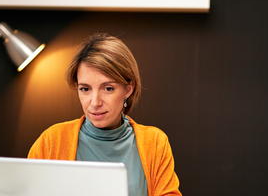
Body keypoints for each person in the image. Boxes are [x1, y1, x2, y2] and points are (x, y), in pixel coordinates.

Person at [27, 33, 182, 196]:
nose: (95, 102)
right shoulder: (51, 141)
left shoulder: (155, 143)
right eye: (85, 89)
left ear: (128, 89)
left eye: (108, 88)